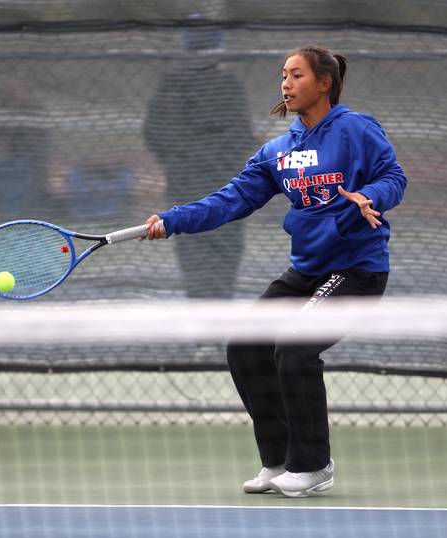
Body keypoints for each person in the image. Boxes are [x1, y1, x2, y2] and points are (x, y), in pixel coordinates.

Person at [142, 45, 407, 497]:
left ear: (323, 83)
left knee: (296, 347)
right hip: (306, 271)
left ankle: (314, 465)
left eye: (297, 75)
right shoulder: (277, 152)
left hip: (357, 271)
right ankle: (280, 459)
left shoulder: (355, 130)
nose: (286, 83)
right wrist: (173, 220)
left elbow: (393, 177)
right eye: (283, 75)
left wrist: (371, 196)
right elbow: (231, 200)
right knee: (246, 344)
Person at [144, 24, 255, 298]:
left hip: (187, 178)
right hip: (223, 180)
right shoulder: (226, 84)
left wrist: (177, 159)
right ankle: (217, 302)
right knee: (222, 240)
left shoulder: (171, 83)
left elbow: (153, 131)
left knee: (193, 241)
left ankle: (202, 305)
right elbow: (241, 133)